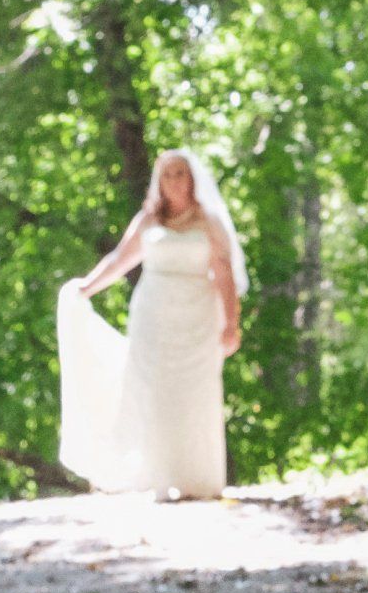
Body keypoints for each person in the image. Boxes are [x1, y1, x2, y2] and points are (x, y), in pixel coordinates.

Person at [58, 147, 245, 500]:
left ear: (192, 179)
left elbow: (223, 273)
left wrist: (231, 323)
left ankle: (198, 478)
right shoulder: (148, 220)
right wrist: (87, 287)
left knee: (194, 393)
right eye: (167, 174)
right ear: (159, 181)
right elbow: (120, 259)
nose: (174, 180)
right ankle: (158, 477)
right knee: (153, 391)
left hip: (197, 317)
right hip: (153, 314)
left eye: (180, 173)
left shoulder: (209, 223)